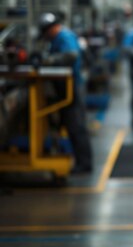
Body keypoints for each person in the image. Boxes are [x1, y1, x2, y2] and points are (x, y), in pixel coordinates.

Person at [39, 12, 93, 174]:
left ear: (52, 28)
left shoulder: (65, 36)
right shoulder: (57, 38)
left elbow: (71, 55)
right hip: (64, 87)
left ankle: (84, 164)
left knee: (77, 126)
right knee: (70, 126)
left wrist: (50, 60)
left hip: (72, 87)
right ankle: (79, 161)